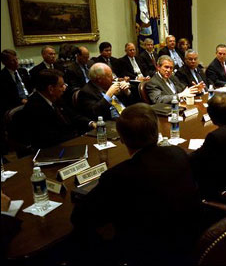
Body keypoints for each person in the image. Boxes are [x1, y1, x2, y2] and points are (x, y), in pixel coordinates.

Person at [71, 103, 200, 266]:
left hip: (148, 253)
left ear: (122, 139)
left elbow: (79, 217)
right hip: (189, 240)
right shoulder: (178, 153)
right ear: (157, 131)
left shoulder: (118, 175)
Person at [24, 69, 95, 149]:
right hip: (52, 150)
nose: (65, 88)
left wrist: (91, 123)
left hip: (69, 140)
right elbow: (50, 137)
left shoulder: (55, 98)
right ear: (51, 89)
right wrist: (80, 137)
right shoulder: (34, 107)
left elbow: (73, 115)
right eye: (61, 86)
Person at [0, 49, 30, 117]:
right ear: (4, 62)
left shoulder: (23, 71)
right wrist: (22, 100)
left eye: (16, 59)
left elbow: (30, 87)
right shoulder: (2, 76)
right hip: (14, 105)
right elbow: (7, 96)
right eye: (12, 61)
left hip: (29, 99)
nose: (16, 62)